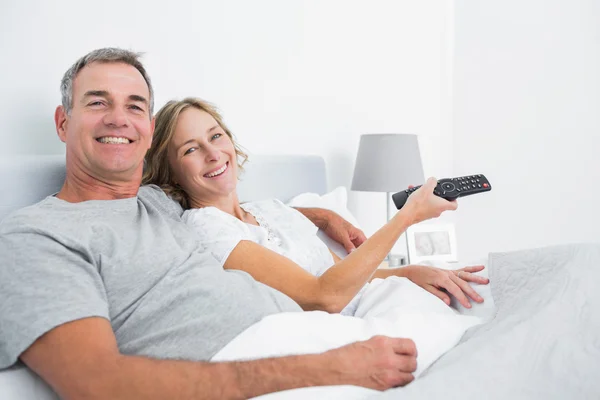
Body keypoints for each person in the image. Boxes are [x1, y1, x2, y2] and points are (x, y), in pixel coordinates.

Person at [0, 47, 425, 399]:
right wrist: (327, 368)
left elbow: (235, 205)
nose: (118, 118)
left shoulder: (159, 204)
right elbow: (97, 384)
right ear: (62, 122)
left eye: (135, 106)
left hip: (320, 342)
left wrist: (317, 213)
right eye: (97, 102)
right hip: (284, 372)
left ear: (147, 131)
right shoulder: (37, 237)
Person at [142, 97, 489, 316]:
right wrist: (407, 216)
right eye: (190, 149)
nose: (213, 153)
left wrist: (408, 272)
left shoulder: (272, 210)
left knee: (493, 292)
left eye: (216, 136)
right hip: (349, 324)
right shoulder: (206, 229)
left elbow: (339, 273)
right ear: (171, 171)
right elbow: (325, 296)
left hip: (376, 302)